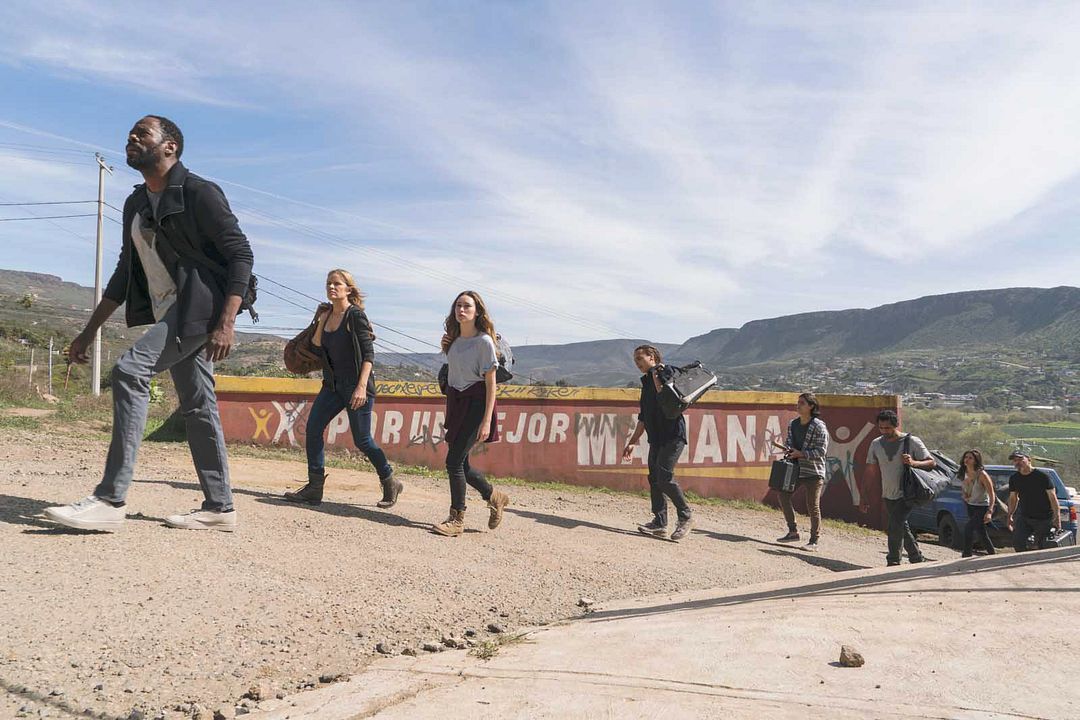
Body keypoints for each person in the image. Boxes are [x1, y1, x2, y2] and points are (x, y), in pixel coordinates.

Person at [45, 115, 253, 532]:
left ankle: (110, 499)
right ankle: (220, 508)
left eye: (142, 134)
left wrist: (226, 322)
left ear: (170, 147)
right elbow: (126, 271)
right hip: (170, 309)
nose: (131, 138)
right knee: (198, 404)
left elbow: (241, 255)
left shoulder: (199, 192)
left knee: (129, 371)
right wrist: (90, 330)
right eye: (130, 134)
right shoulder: (136, 202)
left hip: (203, 306)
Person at [283, 270, 401, 508]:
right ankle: (314, 488)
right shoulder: (327, 315)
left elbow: (369, 355)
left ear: (348, 289)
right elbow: (316, 346)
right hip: (332, 385)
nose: (332, 287)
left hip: (356, 386)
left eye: (337, 283)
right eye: (328, 283)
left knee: (363, 440)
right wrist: (320, 319)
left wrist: (360, 388)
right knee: (313, 429)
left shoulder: (355, 316)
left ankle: (389, 480)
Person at [431, 291, 510, 537]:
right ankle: (494, 496)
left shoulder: (484, 342)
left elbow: (490, 384)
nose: (461, 310)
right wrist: (447, 349)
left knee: (453, 462)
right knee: (462, 464)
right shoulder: (453, 342)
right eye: (457, 305)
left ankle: (457, 518)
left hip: (476, 404)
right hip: (456, 403)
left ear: (477, 312)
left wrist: (487, 420)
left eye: (467, 306)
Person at [622, 345, 693, 542]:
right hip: (656, 439)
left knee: (664, 477)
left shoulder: (666, 371)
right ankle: (660, 523)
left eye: (639, 358)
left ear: (651, 357)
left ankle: (685, 516)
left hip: (673, 436)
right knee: (654, 478)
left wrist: (657, 375)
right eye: (635, 360)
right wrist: (632, 442)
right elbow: (643, 418)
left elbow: (667, 398)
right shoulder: (645, 384)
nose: (637, 363)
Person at [861, 410, 935, 566]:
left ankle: (893, 561)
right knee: (901, 524)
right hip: (888, 493)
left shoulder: (912, 441)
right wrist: (864, 494)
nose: (884, 431)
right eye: (881, 428)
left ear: (896, 425)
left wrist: (913, 463)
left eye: (887, 428)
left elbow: (931, 462)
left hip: (907, 493)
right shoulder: (876, 444)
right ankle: (916, 557)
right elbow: (870, 470)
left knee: (894, 524)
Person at [776, 392, 829, 551]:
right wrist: (790, 450)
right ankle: (793, 531)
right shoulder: (793, 424)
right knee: (783, 494)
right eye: (798, 402)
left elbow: (821, 451)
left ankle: (814, 541)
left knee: (812, 505)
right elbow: (789, 442)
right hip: (795, 469)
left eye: (802, 403)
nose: (798, 405)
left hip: (813, 471)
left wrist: (802, 454)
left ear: (811, 406)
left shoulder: (818, 426)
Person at [1006, 450, 1061, 552]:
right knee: (1018, 542)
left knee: (1041, 546)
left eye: (1020, 459)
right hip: (1025, 517)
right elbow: (1013, 498)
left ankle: (1038, 566)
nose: (1017, 462)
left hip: (1043, 518)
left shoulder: (1042, 476)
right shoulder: (1014, 478)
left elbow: (1053, 498)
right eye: (1015, 460)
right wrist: (1010, 515)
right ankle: (1022, 564)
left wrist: (1057, 518)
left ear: (1029, 460)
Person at [958, 449, 996, 558]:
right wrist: (964, 495)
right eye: (966, 457)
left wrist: (989, 511)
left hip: (982, 507)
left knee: (968, 528)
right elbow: (964, 489)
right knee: (981, 533)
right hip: (970, 506)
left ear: (976, 460)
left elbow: (991, 493)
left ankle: (966, 554)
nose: (967, 460)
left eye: (970, 458)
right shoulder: (964, 472)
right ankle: (993, 555)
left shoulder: (982, 474)